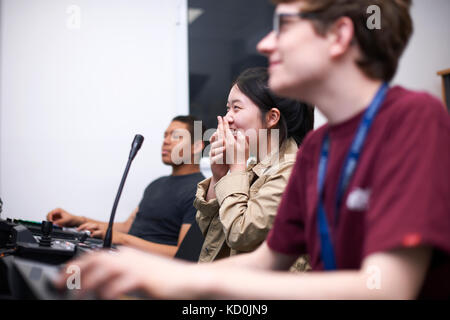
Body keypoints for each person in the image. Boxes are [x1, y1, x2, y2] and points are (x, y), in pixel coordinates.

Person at [57, 0, 450, 299]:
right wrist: (148, 270)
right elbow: (265, 261)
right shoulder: (317, 148)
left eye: (283, 25)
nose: (265, 43)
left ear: (340, 36)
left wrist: (178, 278)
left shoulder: (413, 117)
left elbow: (386, 288)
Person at [194, 67, 314, 262]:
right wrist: (218, 177)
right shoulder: (253, 167)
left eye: (236, 108)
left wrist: (237, 168)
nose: (227, 118)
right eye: (227, 108)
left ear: (272, 117)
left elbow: (239, 234)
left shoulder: (292, 171)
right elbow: (211, 234)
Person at [47, 115, 205, 257]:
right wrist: (77, 220)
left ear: (197, 147)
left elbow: (183, 254)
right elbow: (127, 227)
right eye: (165, 135)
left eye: (176, 136)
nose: (166, 141)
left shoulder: (201, 191)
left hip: (149, 270)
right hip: (124, 257)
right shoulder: (156, 185)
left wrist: (123, 240)